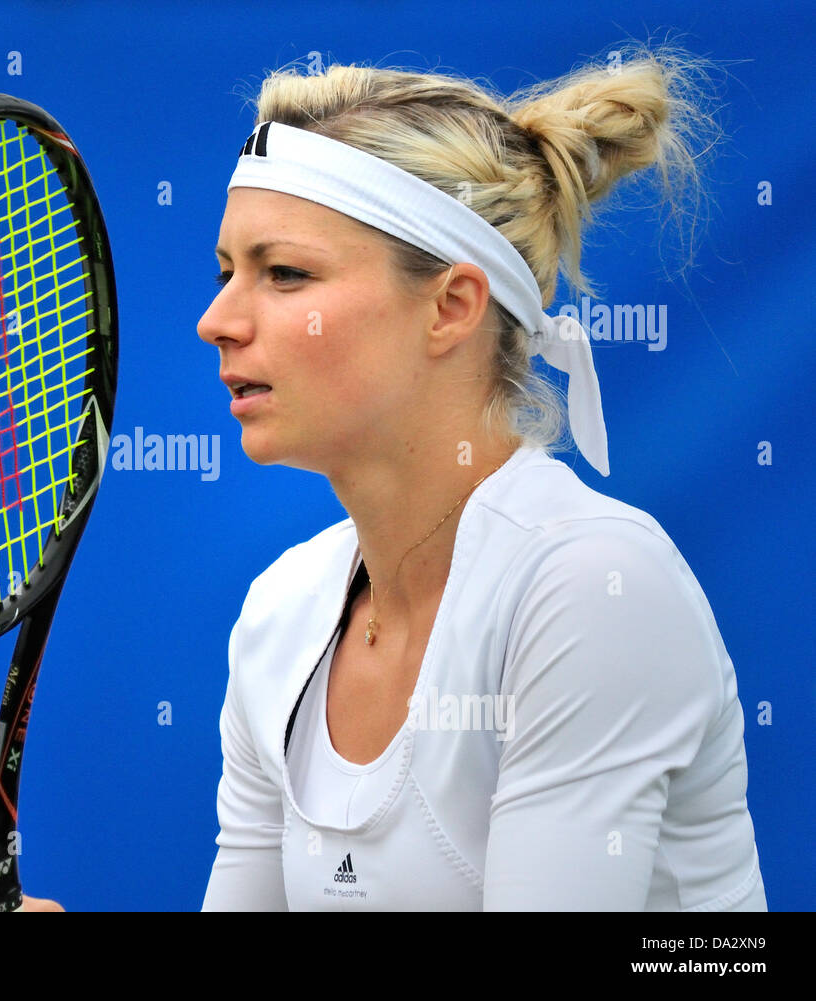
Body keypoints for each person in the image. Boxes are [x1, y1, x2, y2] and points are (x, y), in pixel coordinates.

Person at [195, 45, 766, 910]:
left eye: (285, 274)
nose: (217, 320)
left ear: (451, 306)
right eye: (226, 271)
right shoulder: (281, 612)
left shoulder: (592, 589)